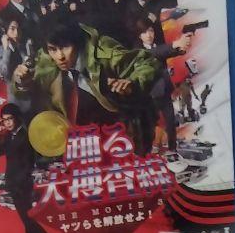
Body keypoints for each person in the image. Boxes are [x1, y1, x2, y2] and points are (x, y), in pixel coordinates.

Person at [13, 16, 161, 153]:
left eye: (65, 47)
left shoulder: (104, 50)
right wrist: (21, 81)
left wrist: (133, 83)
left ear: (77, 43)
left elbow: (148, 62)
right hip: (83, 137)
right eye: (53, 49)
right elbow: (27, 86)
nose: (60, 56)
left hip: (124, 125)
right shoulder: (46, 57)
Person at [0, 104, 64, 233]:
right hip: (14, 184)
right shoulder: (9, 136)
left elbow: (27, 163)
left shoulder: (24, 136)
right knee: (29, 222)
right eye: (4, 120)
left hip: (22, 185)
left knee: (29, 221)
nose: (7, 123)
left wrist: (19, 182)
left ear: (17, 118)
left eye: (10, 119)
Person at [131, 15, 189, 150]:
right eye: (144, 32)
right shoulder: (138, 51)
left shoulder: (158, 46)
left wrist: (181, 49)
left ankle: (173, 149)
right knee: (150, 125)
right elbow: (155, 53)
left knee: (171, 122)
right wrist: (175, 44)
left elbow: (165, 52)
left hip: (164, 91)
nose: (149, 35)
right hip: (149, 95)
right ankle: (149, 150)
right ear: (139, 36)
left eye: (151, 31)